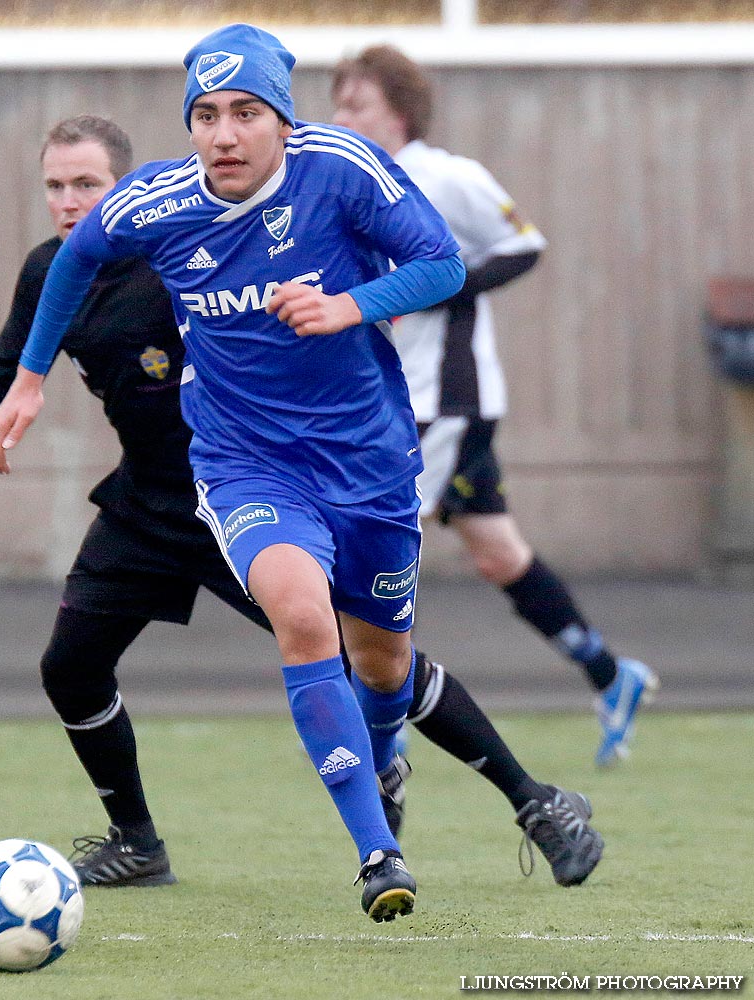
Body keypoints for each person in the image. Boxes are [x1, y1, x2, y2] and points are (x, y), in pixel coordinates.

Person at [0, 27, 601, 922]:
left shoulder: (342, 169)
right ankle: (377, 855)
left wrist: (347, 304)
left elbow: (439, 263)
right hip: (245, 464)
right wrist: (30, 379)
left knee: (384, 664)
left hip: (372, 465)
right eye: (204, 115)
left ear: (282, 120)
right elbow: (74, 262)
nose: (223, 134)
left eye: (245, 114)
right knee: (303, 620)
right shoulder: (156, 201)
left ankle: (391, 759)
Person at [331, 45, 659, 769]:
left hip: (442, 399)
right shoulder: (354, 183)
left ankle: (368, 719)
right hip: (400, 396)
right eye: (339, 104)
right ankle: (612, 675)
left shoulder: (446, 176)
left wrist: (436, 284)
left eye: (357, 105)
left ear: (401, 110)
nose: (341, 117)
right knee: (497, 551)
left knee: (369, 538)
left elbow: (525, 243)